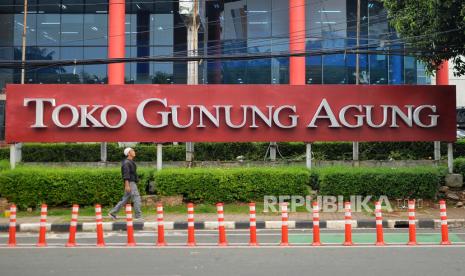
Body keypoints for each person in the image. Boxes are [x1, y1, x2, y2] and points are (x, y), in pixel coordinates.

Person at [108, 147, 143, 221]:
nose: (134, 151)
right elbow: (126, 175)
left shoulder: (130, 162)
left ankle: (112, 213)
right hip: (130, 183)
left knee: (125, 199)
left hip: (131, 182)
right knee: (136, 198)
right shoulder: (127, 163)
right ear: (128, 153)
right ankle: (138, 216)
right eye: (132, 150)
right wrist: (127, 185)